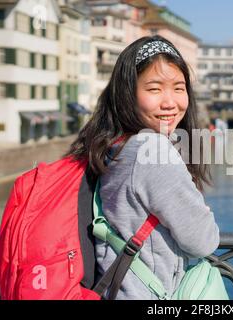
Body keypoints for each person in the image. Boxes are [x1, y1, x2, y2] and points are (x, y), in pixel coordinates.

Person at [66, 35, 220, 300]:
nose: (170, 102)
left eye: (178, 88)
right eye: (155, 89)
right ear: (128, 94)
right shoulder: (153, 151)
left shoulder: (114, 145)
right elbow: (203, 241)